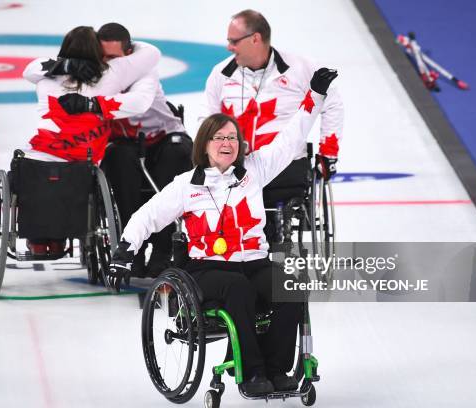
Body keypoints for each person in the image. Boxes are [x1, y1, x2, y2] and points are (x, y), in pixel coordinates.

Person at [109, 68, 338, 396]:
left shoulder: (255, 170)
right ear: (204, 146)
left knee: (291, 285)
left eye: (232, 137)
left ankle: (277, 369)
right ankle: (252, 374)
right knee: (237, 287)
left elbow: (291, 138)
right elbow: (147, 217)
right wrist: (123, 253)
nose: (227, 143)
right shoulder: (186, 186)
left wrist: (314, 95)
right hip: (208, 270)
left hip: (254, 262)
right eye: (219, 138)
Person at [200, 9, 344, 240]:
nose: (228, 47)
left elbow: (333, 104)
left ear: (255, 39)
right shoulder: (220, 74)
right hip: (237, 163)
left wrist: (329, 152)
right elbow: (205, 120)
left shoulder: (301, 68)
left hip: (284, 162)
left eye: (233, 41)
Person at [21, 26, 161, 255]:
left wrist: (62, 66)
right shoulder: (112, 73)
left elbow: (30, 70)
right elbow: (152, 53)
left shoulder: (46, 79)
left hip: (40, 155)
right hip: (83, 158)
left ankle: (39, 235)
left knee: (31, 171)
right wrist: (95, 104)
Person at [95, 23, 193, 278]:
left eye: (114, 58)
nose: (108, 64)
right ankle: (131, 250)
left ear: (129, 54)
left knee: (176, 157)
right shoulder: (95, 73)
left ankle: (163, 250)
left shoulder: (144, 72)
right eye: (103, 58)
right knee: (118, 157)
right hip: (126, 143)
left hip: (164, 137)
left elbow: (136, 104)